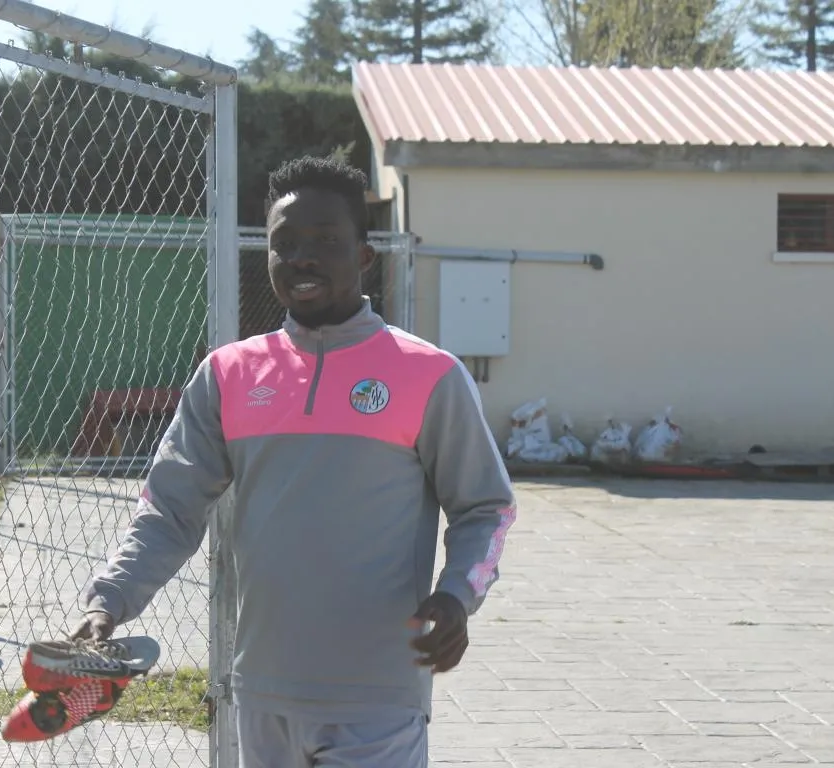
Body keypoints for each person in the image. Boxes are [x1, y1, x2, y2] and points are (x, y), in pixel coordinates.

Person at [71, 155, 516, 767]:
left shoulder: (429, 375)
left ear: (364, 256)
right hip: (263, 693)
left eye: (326, 241)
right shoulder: (228, 375)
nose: (302, 258)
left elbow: (486, 507)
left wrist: (457, 594)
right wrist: (109, 600)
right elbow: (170, 509)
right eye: (284, 244)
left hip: (378, 698)